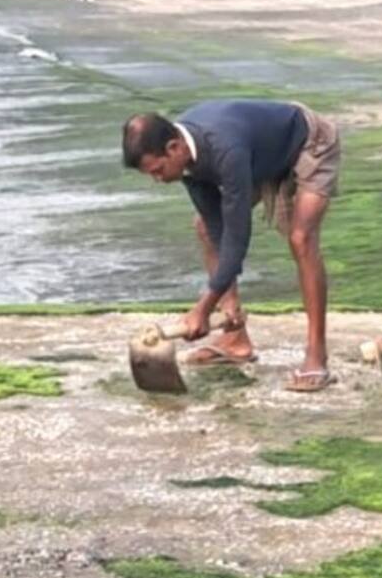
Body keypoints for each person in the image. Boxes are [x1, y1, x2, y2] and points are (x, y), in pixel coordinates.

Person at [122, 100, 340, 392]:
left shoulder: (225, 149)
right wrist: (225, 303)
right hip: (260, 155)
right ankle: (235, 337)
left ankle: (316, 354)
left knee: (301, 238)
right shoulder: (187, 161)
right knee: (204, 228)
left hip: (307, 141)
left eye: (158, 170)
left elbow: (237, 238)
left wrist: (203, 308)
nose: (157, 180)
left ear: (174, 148)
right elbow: (216, 225)